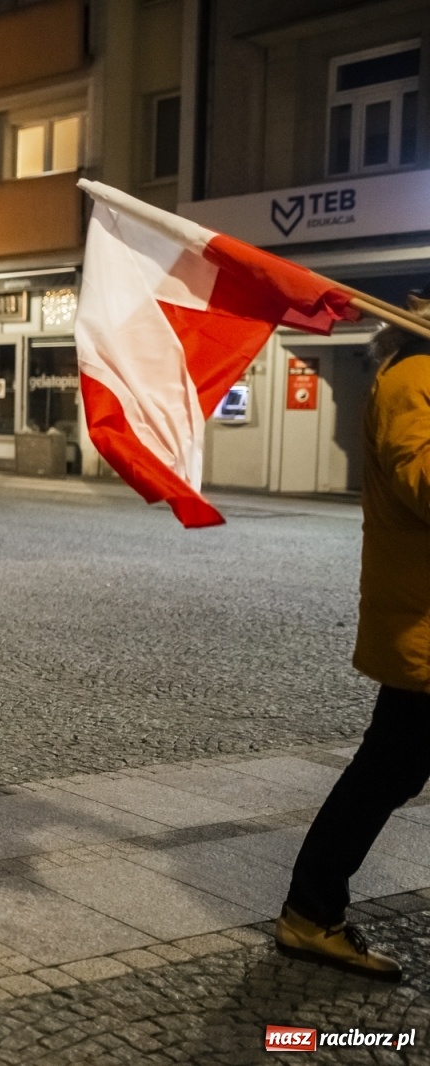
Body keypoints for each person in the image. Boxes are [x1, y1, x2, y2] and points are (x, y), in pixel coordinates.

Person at [275, 297, 430, 983]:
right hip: (424, 624)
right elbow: (423, 483)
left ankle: (311, 910)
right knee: (385, 772)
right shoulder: (413, 377)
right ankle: (310, 913)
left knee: (387, 771)